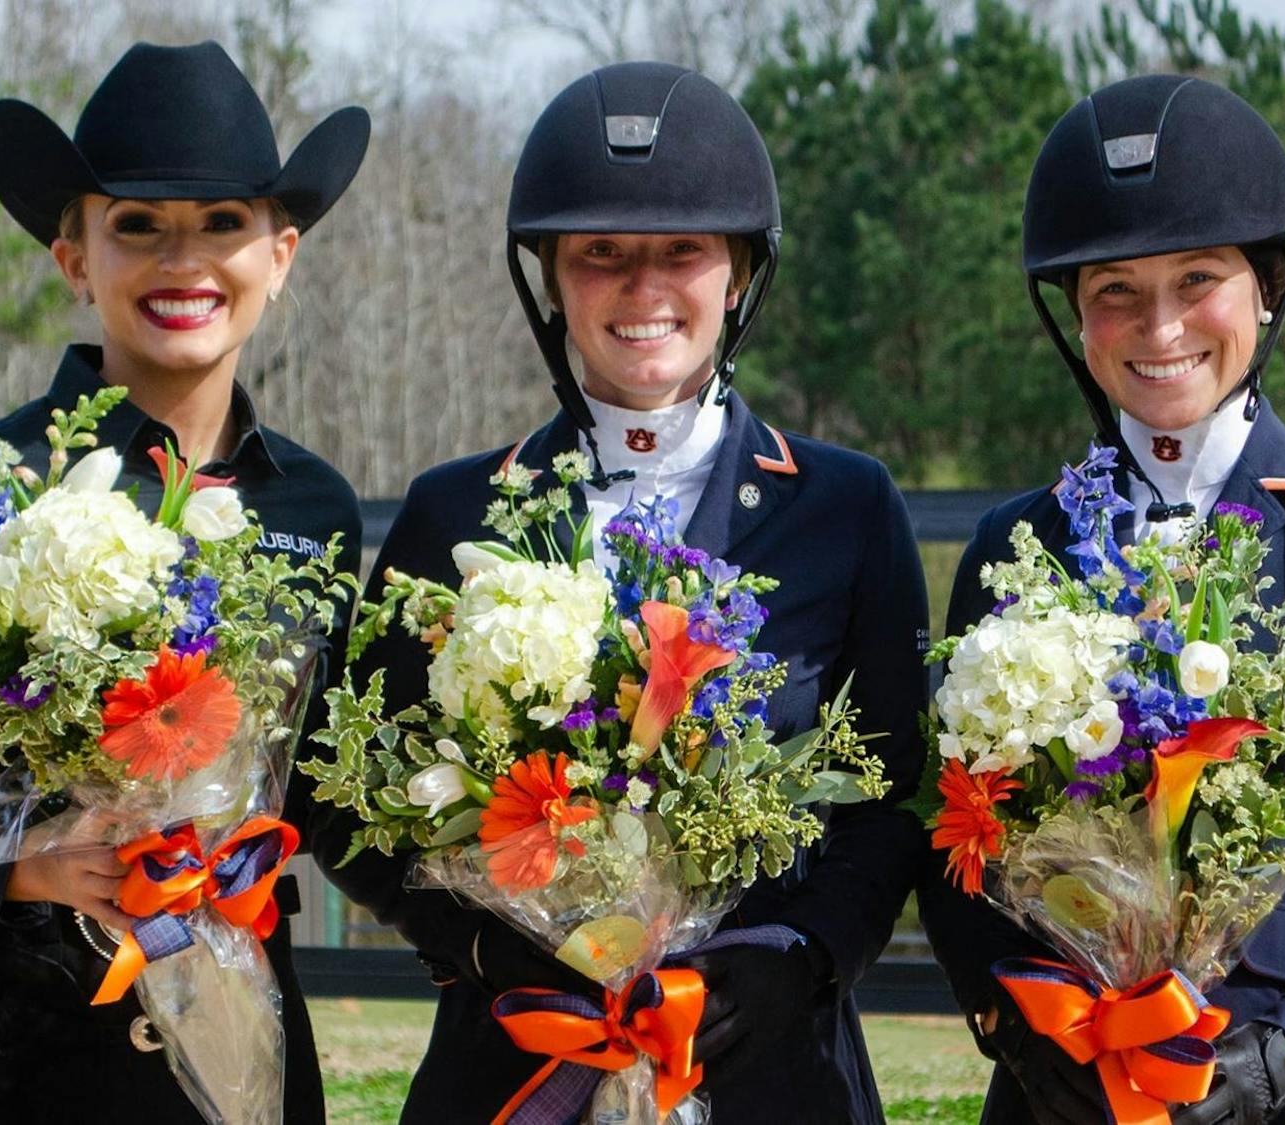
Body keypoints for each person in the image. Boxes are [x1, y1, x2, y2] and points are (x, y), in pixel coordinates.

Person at [314, 61, 929, 1123]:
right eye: (602, 254)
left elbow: (897, 789)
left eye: (681, 251)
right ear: (553, 277)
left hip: (769, 1064)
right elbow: (344, 790)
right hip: (516, 1059)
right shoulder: (452, 511)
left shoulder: (848, 505)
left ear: (737, 272)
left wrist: (806, 951)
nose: (643, 288)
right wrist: (477, 942)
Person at [0, 41, 367, 1124]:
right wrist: (20, 869)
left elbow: (332, 787)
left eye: (223, 224)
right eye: (137, 226)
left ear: (281, 254)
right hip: (13, 1049)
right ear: (75, 259)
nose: (182, 260)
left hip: (239, 1020)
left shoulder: (317, 509)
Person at [918, 73, 1285, 1124]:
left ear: (1266, 287)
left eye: (1198, 278)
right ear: (1076, 314)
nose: (1159, 323)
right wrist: (1024, 1032)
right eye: (1116, 287)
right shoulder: (1014, 544)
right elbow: (957, 841)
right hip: (1066, 1087)